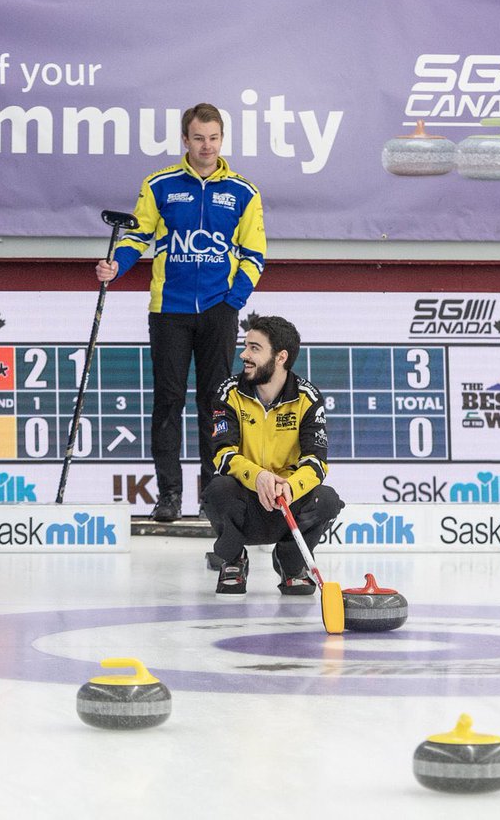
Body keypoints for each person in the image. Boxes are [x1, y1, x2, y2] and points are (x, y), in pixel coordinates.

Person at [96, 103, 266, 522]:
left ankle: (212, 497)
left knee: (215, 403)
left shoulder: (244, 191)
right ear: (185, 140)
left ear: (221, 139)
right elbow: (137, 236)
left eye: (213, 138)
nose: (207, 146)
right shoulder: (160, 184)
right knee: (168, 402)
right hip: (168, 310)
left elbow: (255, 254)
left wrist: (232, 300)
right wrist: (117, 265)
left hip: (218, 311)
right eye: (199, 138)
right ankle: (169, 496)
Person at [202, 316, 343, 595]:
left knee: (327, 499)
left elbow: (316, 462)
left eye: (254, 348)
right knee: (217, 490)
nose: (244, 355)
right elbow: (223, 454)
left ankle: (291, 564)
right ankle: (233, 559)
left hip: (286, 503)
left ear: (281, 357)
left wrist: (291, 486)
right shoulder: (228, 393)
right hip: (247, 502)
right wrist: (258, 477)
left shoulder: (308, 397)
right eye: (245, 346)